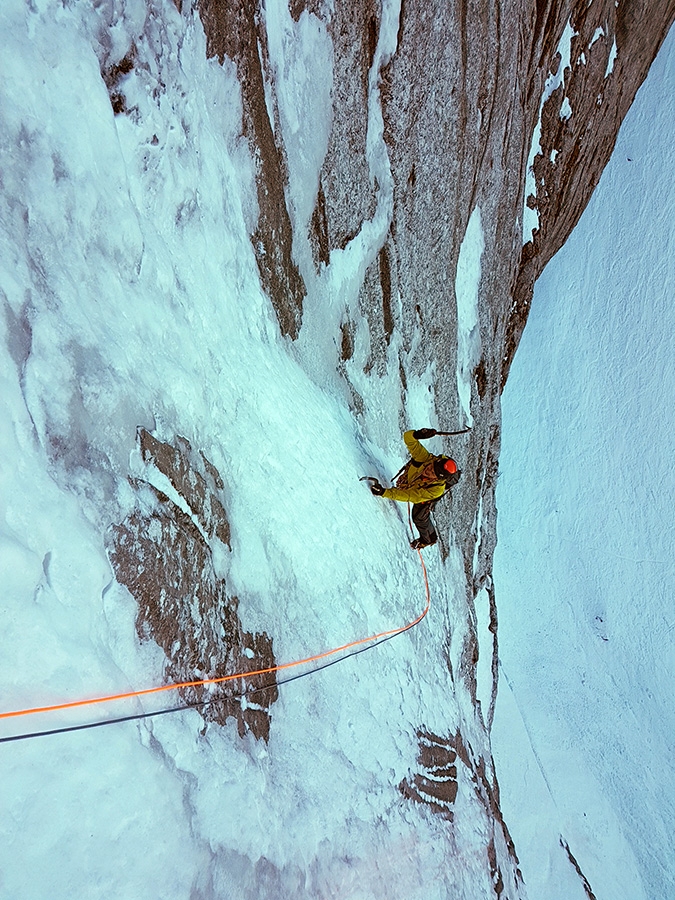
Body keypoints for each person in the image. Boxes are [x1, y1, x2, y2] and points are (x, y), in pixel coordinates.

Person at [370, 428, 461, 550]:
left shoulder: (436, 489)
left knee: (418, 516)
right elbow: (409, 439)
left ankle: (428, 540)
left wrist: (384, 492)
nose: (429, 470)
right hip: (412, 481)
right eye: (431, 467)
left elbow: (410, 495)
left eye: (433, 473)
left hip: (426, 494)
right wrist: (417, 434)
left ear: (438, 479)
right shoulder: (424, 458)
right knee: (405, 486)